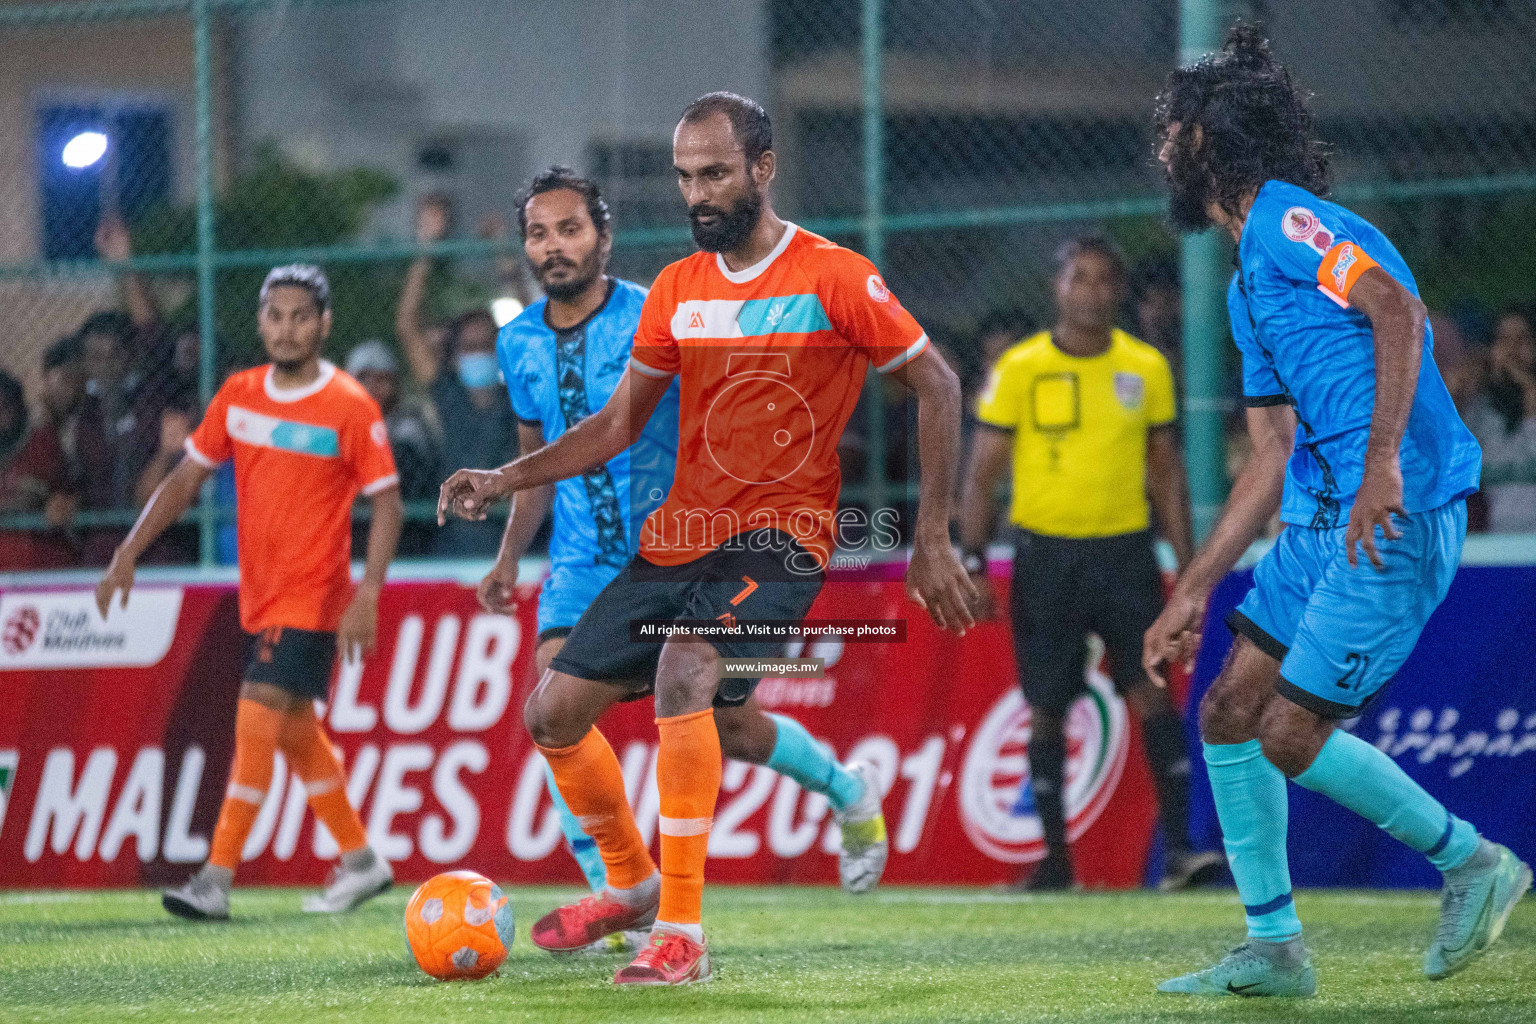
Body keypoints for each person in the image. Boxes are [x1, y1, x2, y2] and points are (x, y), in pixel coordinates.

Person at [441, 93, 976, 985]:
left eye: (716, 173)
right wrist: (505, 480)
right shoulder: (682, 292)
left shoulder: (833, 275)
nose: (699, 192)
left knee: (686, 673)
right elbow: (615, 427)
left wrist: (932, 537)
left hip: (784, 538)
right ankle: (632, 886)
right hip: (680, 536)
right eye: (686, 176)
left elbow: (940, 385)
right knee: (551, 713)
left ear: (762, 169)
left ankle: (681, 931)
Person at [1145, 26, 1530, 997]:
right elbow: (1271, 455)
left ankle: (1474, 862)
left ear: (1215, 139)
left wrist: (1382, 468)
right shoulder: (1245, 286)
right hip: (1322, 519)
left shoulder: (1287, 219)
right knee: (1229, 708)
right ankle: (1275, 948)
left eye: (1176, 128)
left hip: (1391, 512)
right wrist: (1189, 589)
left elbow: (1397, 310)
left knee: (1286, 733)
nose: (1163, 147)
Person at [485, 166, 890, 929]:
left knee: (731, 724)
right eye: (538, 233)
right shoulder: (516, 343)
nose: (554, 247)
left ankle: (846, 787)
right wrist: (510, 552)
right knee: (553, 708)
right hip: (578, 562)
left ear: (604, 236)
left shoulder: (665, 307)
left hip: (683, 545)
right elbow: (536, 455)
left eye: (570, 229)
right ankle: (628, 887)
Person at [95, 265, 402, 921]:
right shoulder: (237, 395)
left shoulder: (349, 404)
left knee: (258, 716)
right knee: (294, 734)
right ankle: (361, 861)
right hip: (257, 598)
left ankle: (216, 876)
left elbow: (389, 502)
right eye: (275, 316)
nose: (287, 328)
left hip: (314, 598)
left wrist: (368, 592)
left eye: (300, 316)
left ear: (324, 324)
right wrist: (129, 550)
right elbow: (184, 482)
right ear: (261, 322)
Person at [958, 235, 1217, 893]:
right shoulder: (1019, 367)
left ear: (1119, 292)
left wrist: (1188, 567)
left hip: (1125, 555)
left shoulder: (1146, 367)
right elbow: (983, 470)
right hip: (1045, 557)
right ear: (1058, 288)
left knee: (1151, 693)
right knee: (1046, 706)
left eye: (1106, 280)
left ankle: (1183, 853)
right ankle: (1055, 864)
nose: (1093, 291)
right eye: (1081, 279)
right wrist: (971, 556)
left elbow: (1167, 472)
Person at [397, 195, 519, 556]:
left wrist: (504, 255)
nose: (477, 352)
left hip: (508, 538)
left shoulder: (514, 394)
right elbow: (407, 325)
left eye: (485, 344)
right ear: (454, 354)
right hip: (454, 542)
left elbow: (540, 331)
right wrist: (426, 251)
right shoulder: (448, 392)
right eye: (468, 346)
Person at [346, 340, 439, 555]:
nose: (375, 386)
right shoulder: (335, 425)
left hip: (405, 535)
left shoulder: (410, 426)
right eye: (365, 378)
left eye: (383, 378)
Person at [1464, 307, 1536, 533]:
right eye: (1503, 340)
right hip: (1493, 545)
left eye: (1521, 339)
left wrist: (1530, 394)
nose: (1512, 348)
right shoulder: (1482, 407)